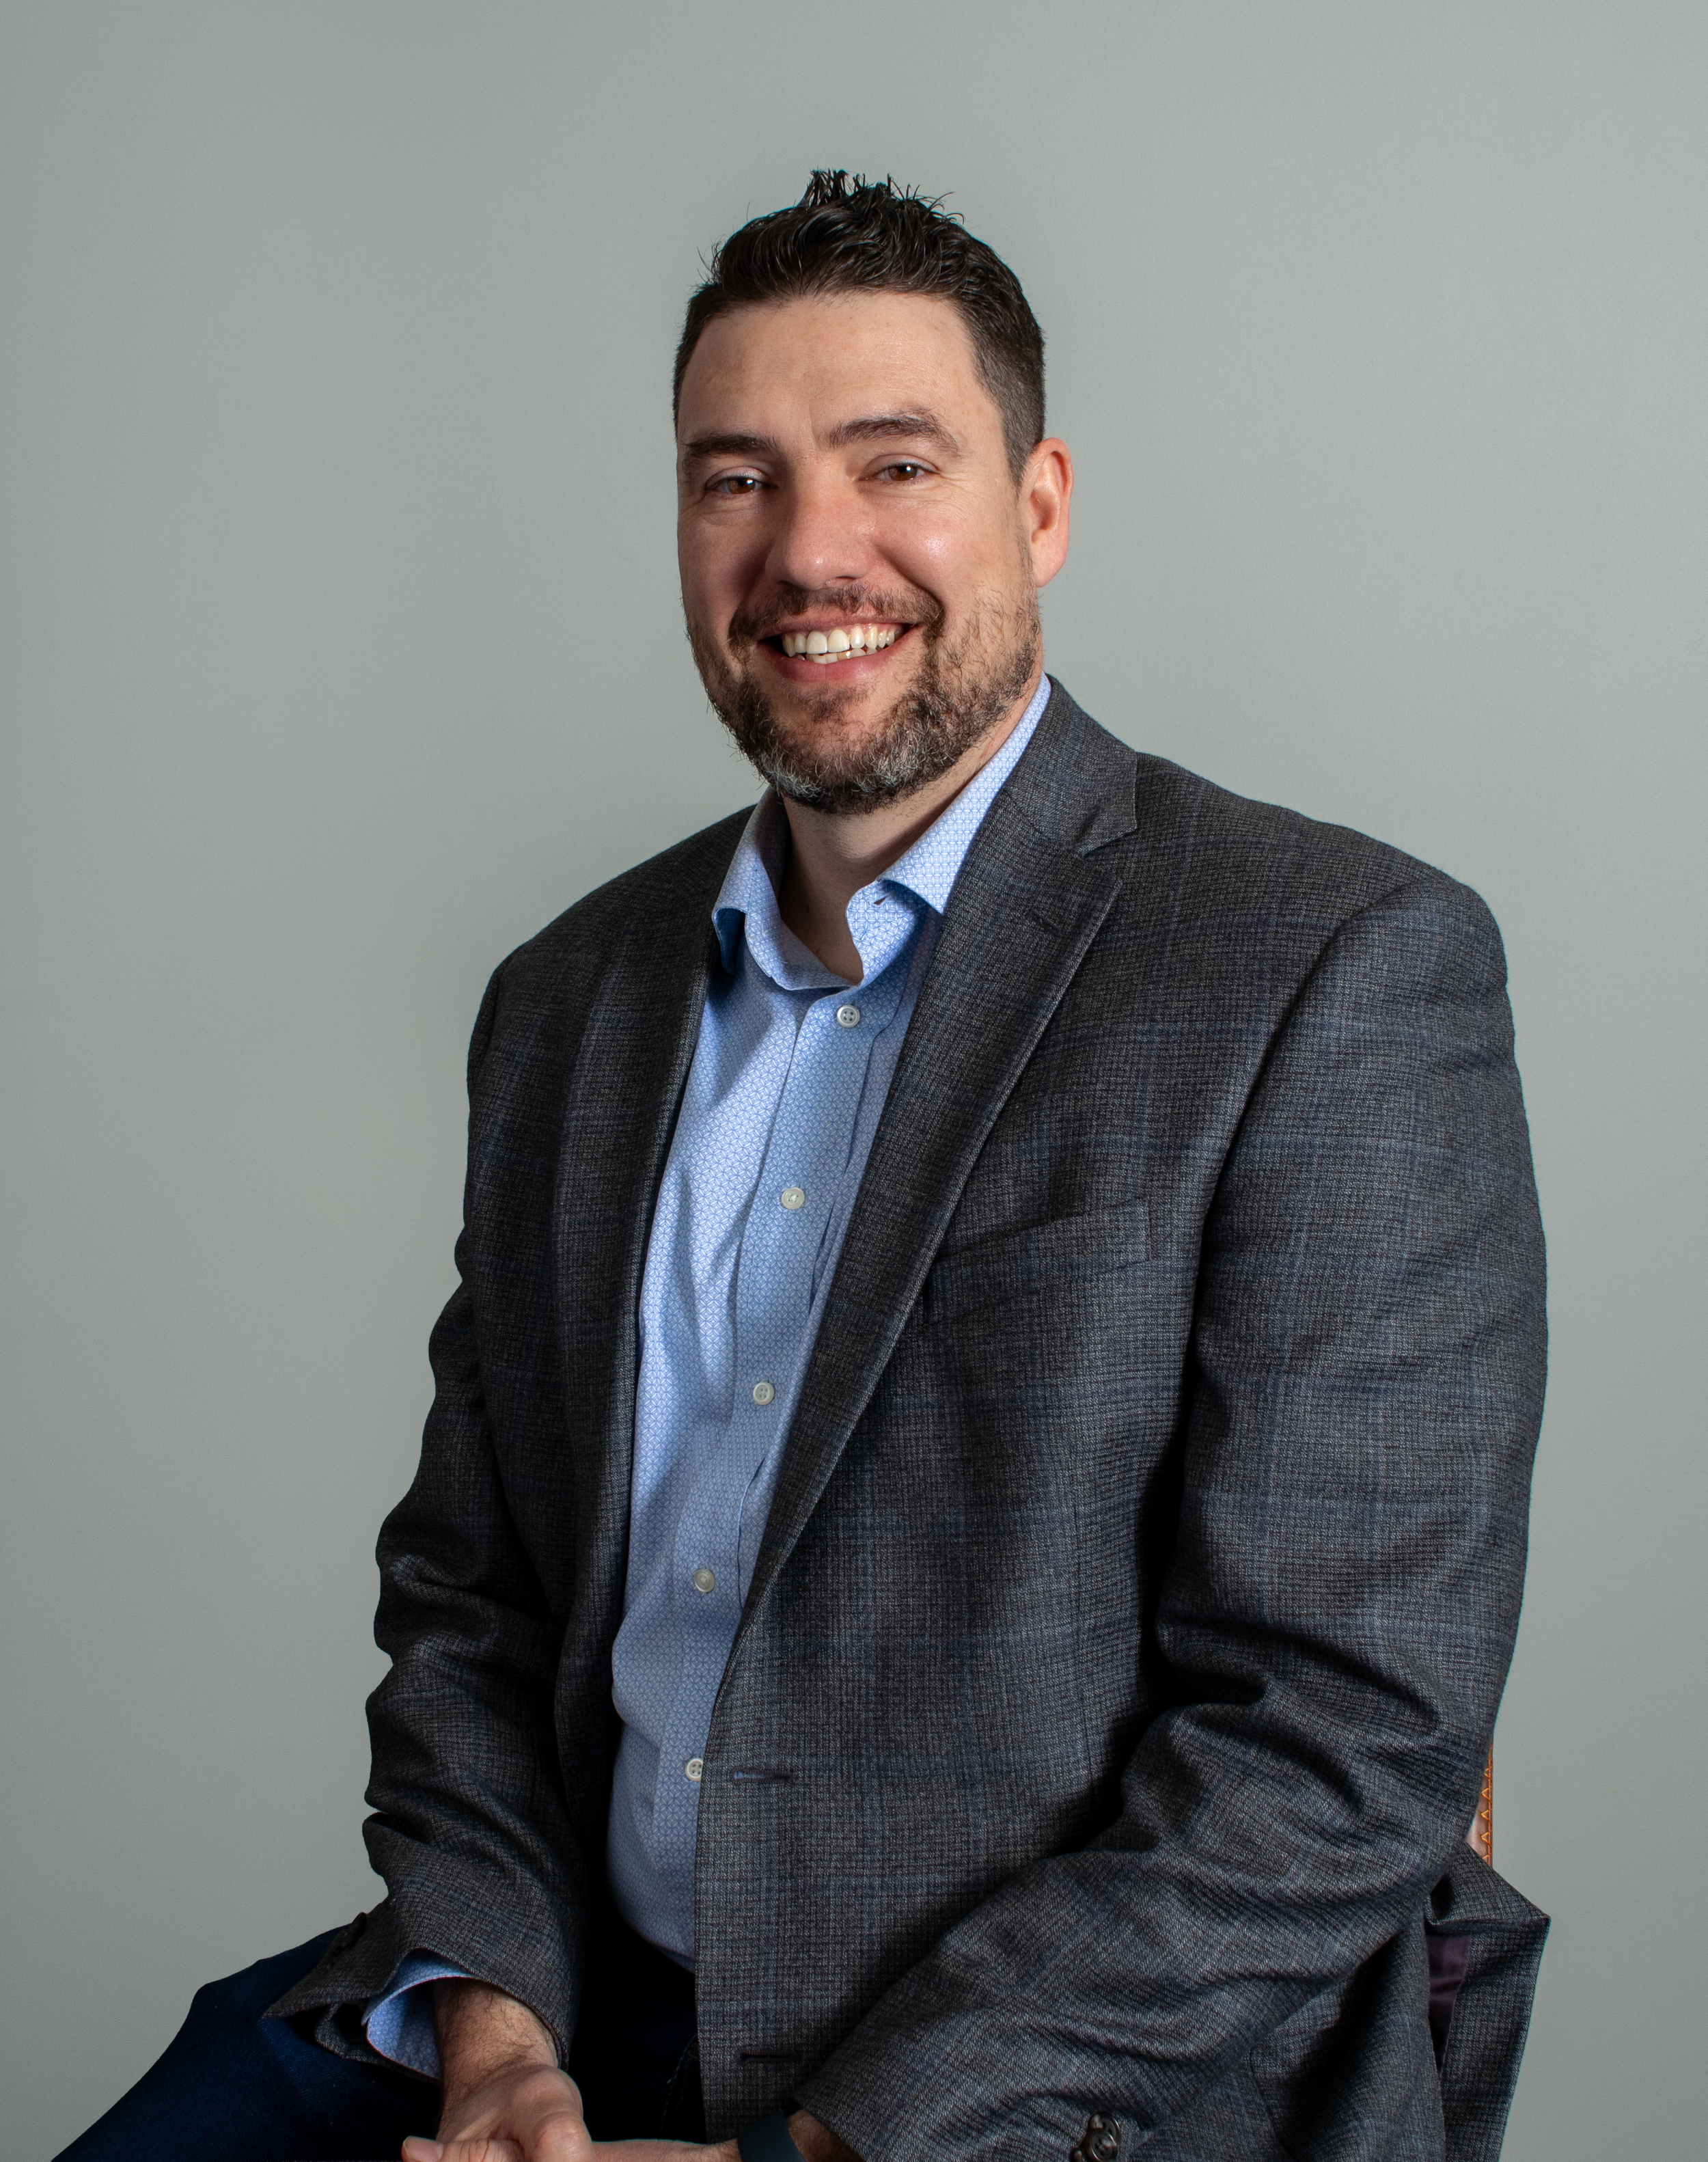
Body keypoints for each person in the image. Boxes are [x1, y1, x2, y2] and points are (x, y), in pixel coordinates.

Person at [60, 172, 1548, 2162]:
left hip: (1038, 2088)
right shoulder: (569, 1002)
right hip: (575, 2023)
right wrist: (499, 2039)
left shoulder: (1326, 966)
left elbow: (1345, 1740)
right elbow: (474, 1609)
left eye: (892, 463)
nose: (806, 550)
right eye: (732, 478)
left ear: (1038, 506)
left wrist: (843, 2141)